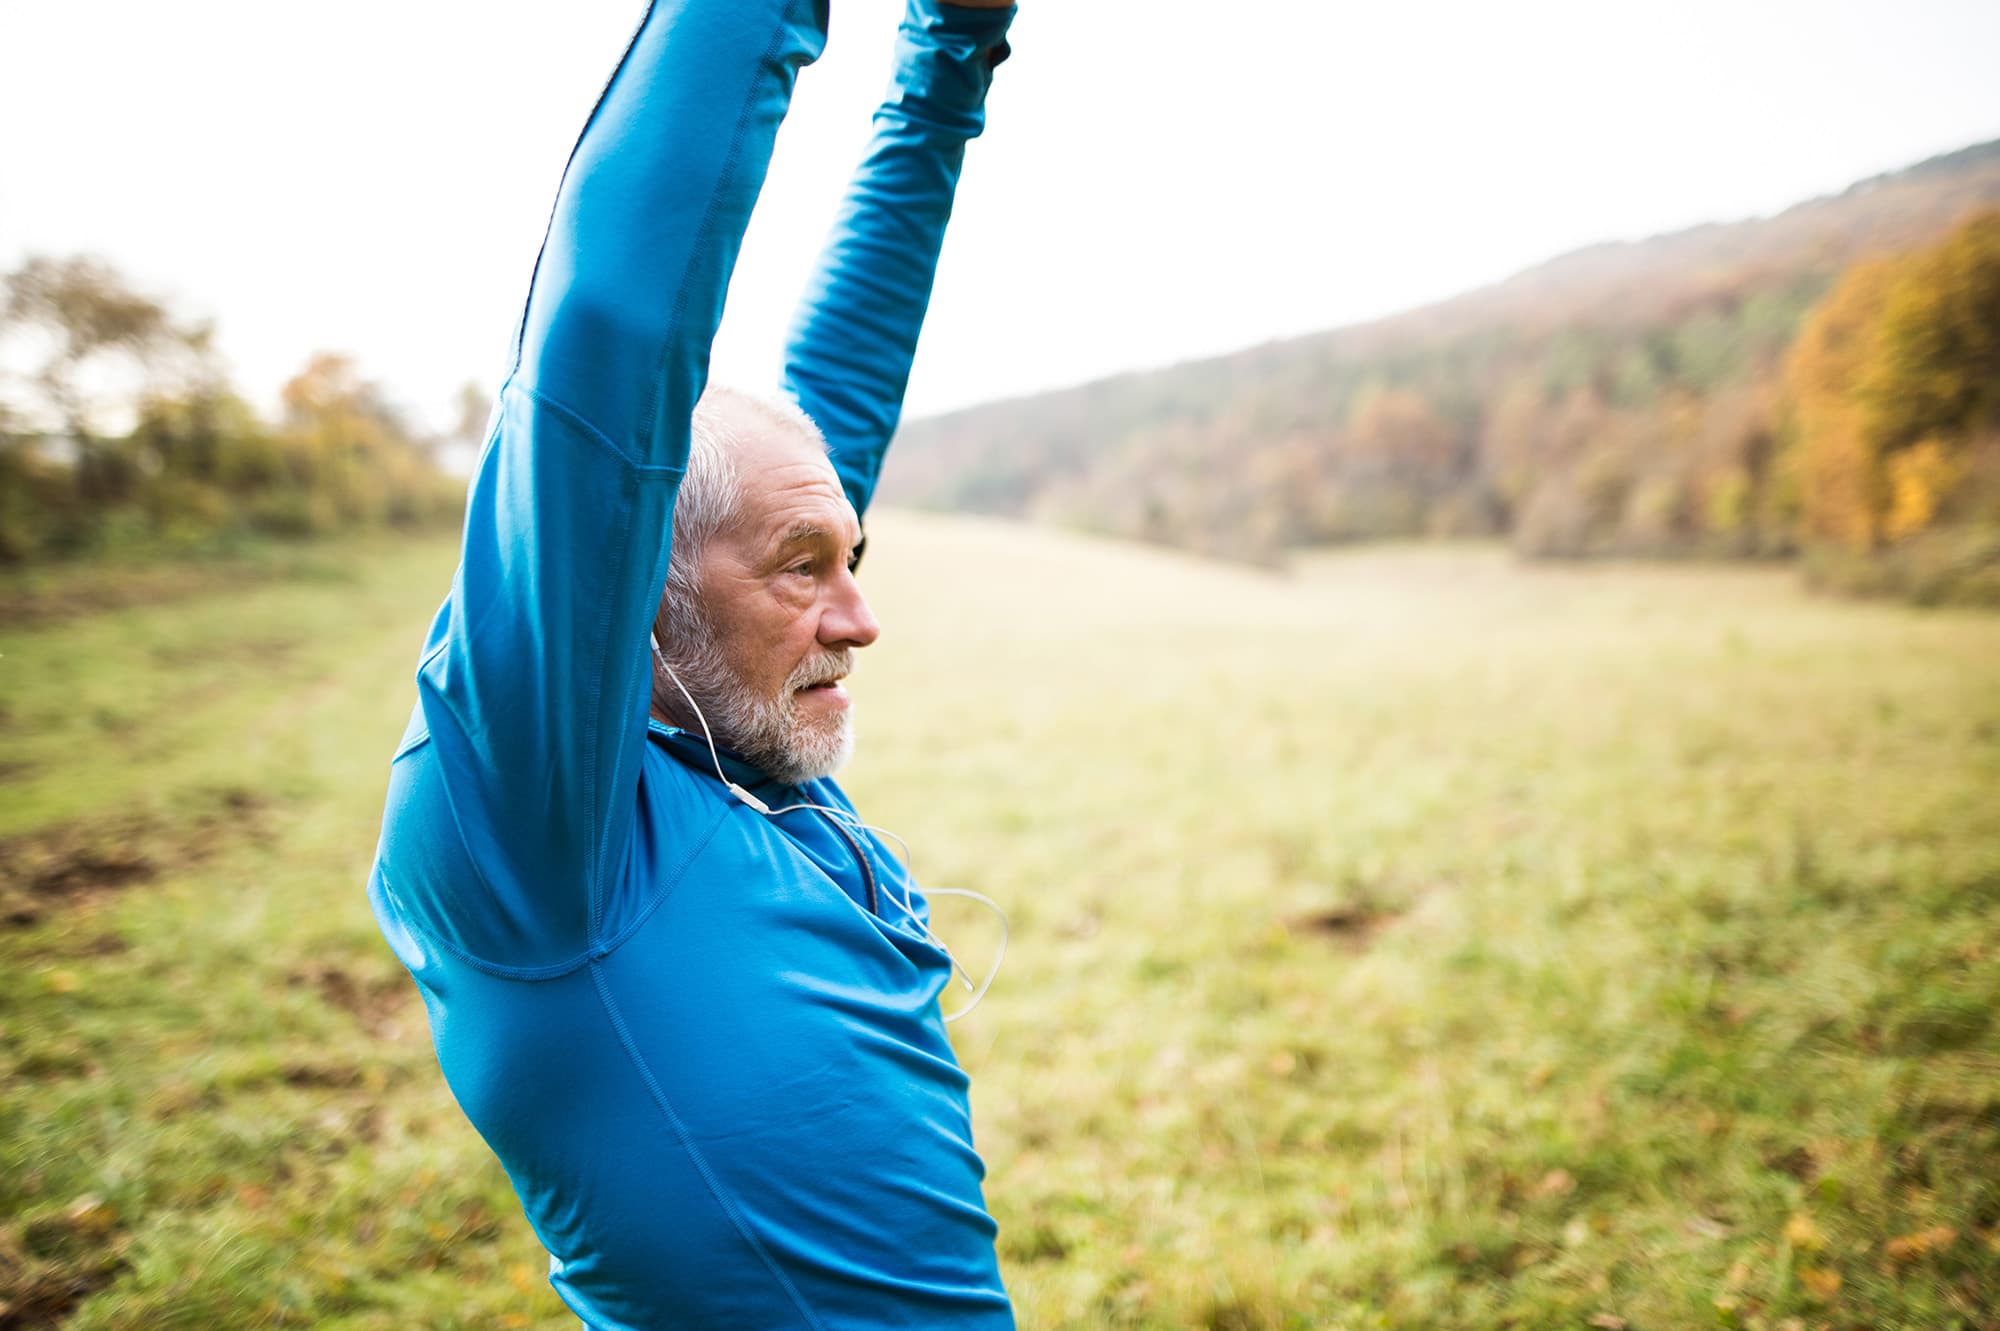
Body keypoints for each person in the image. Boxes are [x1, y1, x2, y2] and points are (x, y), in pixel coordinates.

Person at [365, 2, 1017, 1326]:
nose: (859, 618)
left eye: (856, 559)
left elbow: (832, 392)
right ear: (634, 591)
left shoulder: (737, 745)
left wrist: (951, 51)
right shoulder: (540, 841)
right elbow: (610, 326)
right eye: (804, 568)